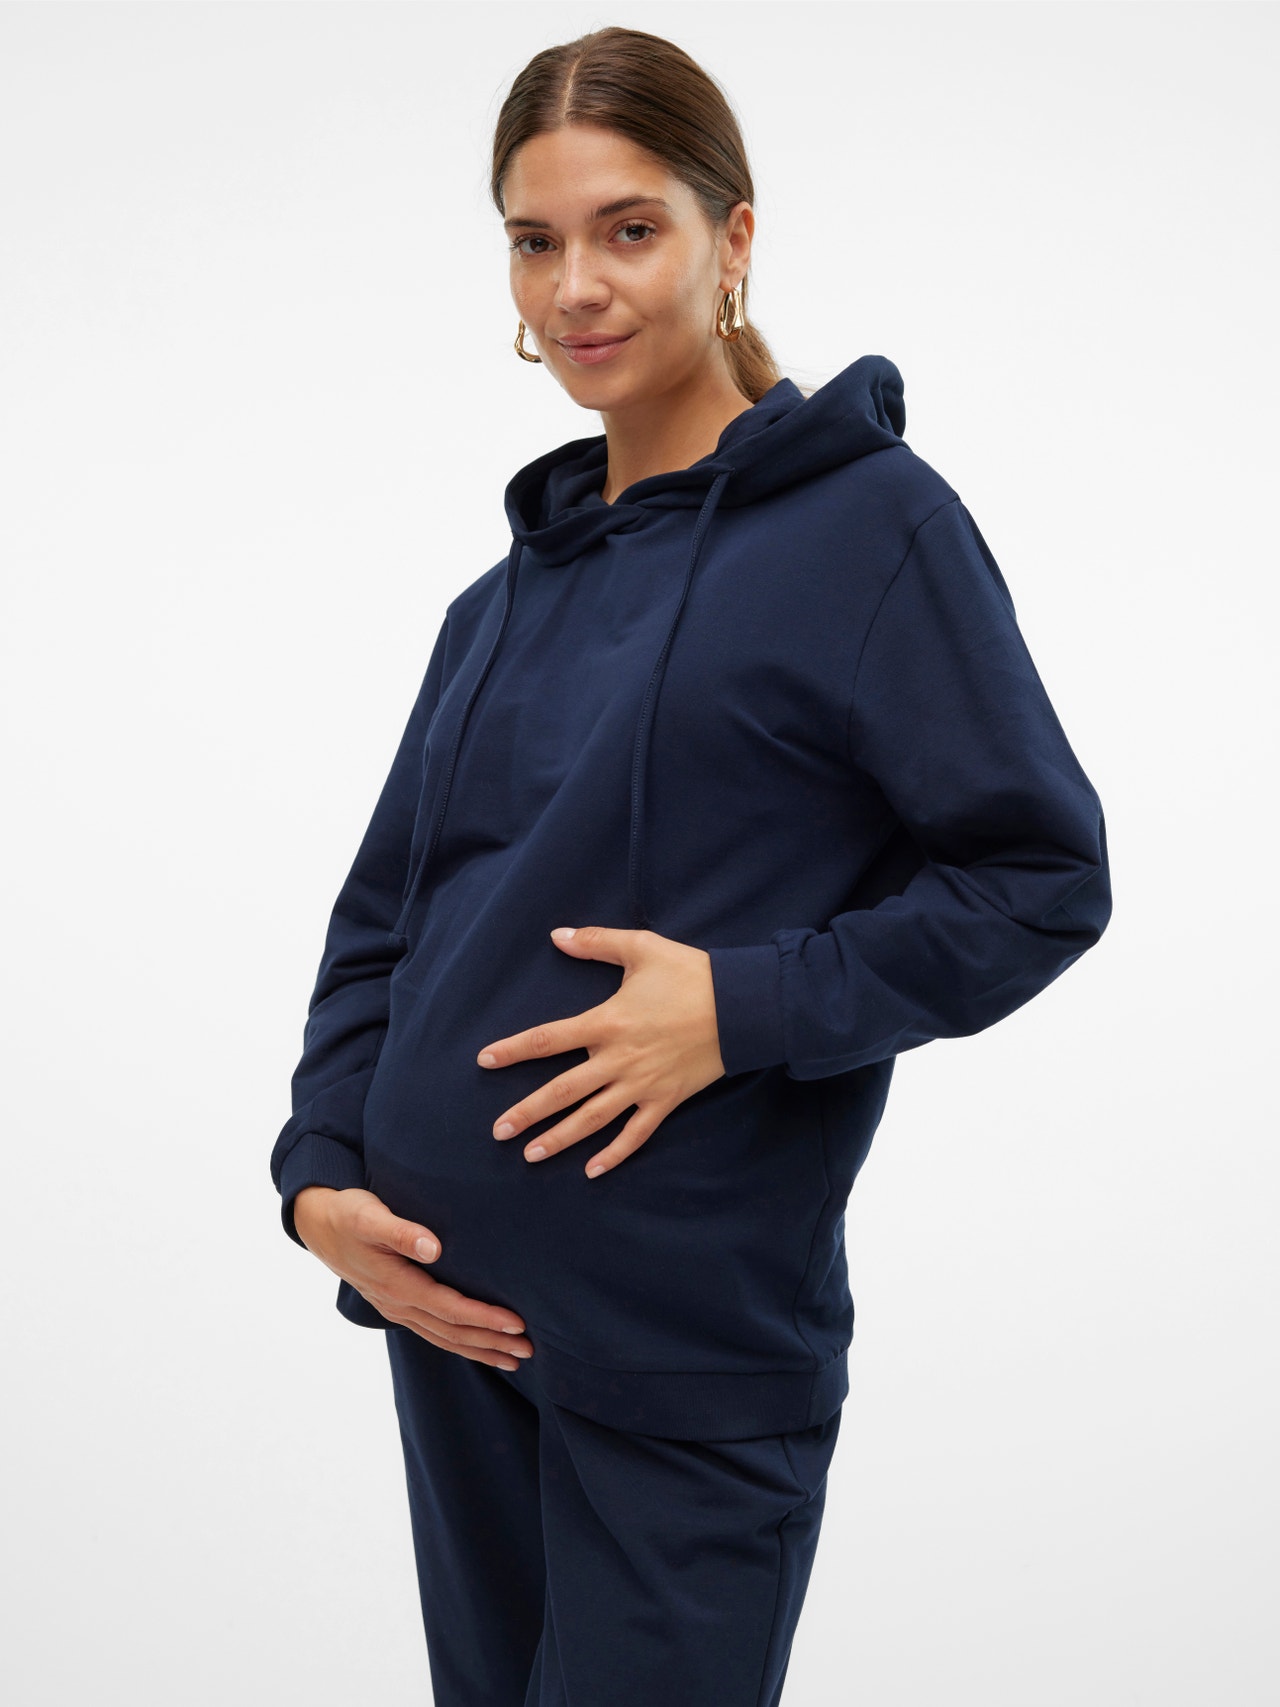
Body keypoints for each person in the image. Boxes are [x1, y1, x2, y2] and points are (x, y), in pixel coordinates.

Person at [269, 24, 1112, 1707]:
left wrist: (737, 1009)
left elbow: (1038, 880)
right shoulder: (498, 603)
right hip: (452, 1333)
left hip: (685, 1362)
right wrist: (317, 1182)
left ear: (734, 240)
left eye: (629, 228)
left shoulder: (874, 531)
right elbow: (384, 927)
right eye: (535, 240)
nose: (576, 286)